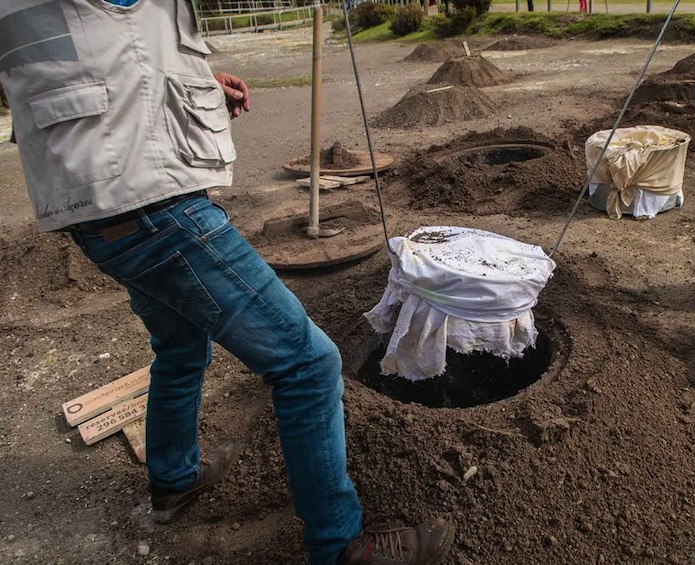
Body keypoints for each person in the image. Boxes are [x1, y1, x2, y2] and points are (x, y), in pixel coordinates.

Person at [0, 1, 454, 564]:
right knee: (308, 364)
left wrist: (190, 81)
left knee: (180, 345)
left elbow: (103, 45)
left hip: (99, 204)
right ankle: (341, 545)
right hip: (151, 203)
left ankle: (173, 479)